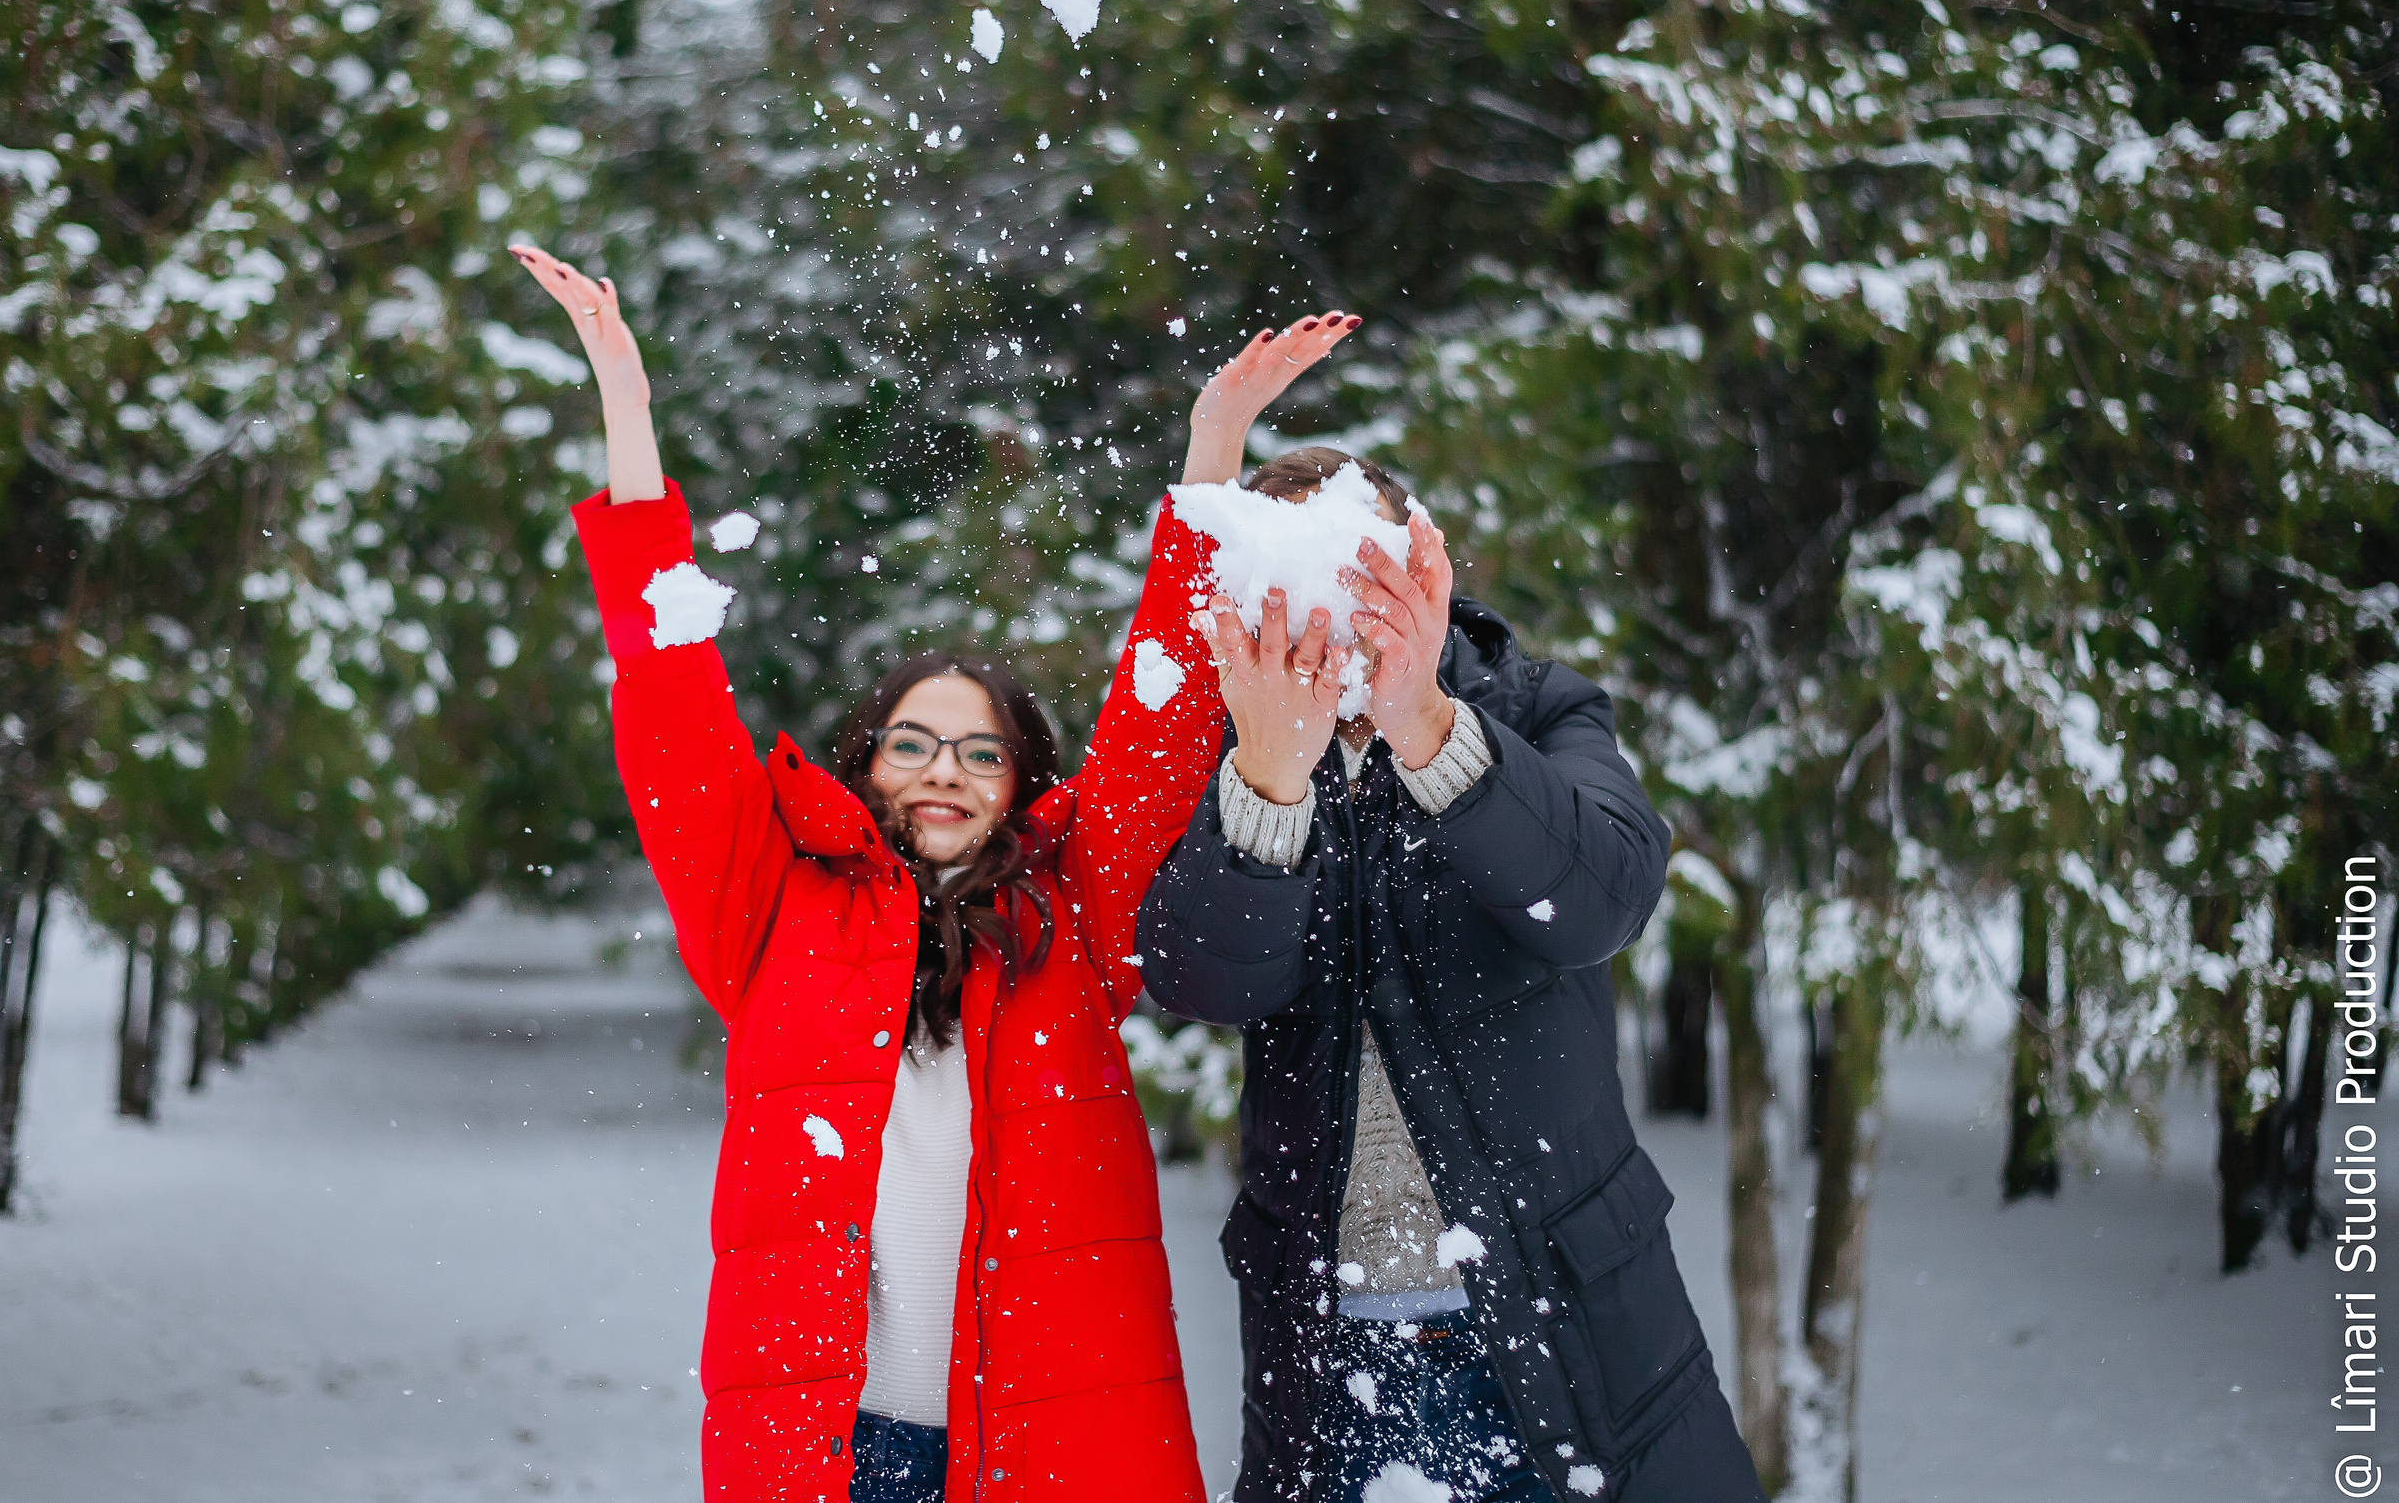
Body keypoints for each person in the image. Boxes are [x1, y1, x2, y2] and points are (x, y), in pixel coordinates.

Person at [512, 241, 1360, 1503]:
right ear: (866, 766)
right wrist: (625, 404)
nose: (944, 772)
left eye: (979, 750)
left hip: (1038, 1440)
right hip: (829, 1450)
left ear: (1020, 782)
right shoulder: (772, 910)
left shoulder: (1073, 913)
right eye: (912, 745)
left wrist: (1215, 444)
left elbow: (1160, 717)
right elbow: (673, 709)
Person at [1139, 447, 1768, 1503]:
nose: (1323, 619)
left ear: (1415, 564)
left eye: (1352, 573)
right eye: (1281, 584)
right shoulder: (1226, 749)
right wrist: (1271, 786)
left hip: (1569, 1327)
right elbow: (1202, 983)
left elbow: (1601, 902)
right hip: (1327, 1356)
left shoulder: (1533, 707)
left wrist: (1426, 727)